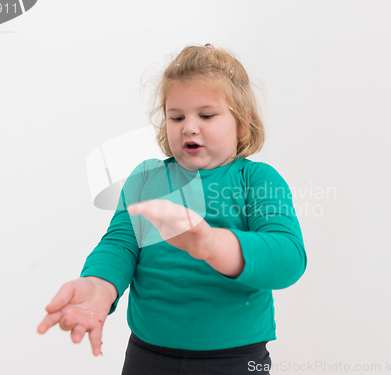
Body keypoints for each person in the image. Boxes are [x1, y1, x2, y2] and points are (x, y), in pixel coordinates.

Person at [37, 43, 307, 375]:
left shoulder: (257, 179)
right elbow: (121, 244)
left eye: (206, 115)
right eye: (176, 116)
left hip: (234, 359)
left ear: (243, 118)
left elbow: (288, 257)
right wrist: (100, 284)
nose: (189, 127)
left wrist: (212, 245)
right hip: (148, 355)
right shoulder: (147, 177)